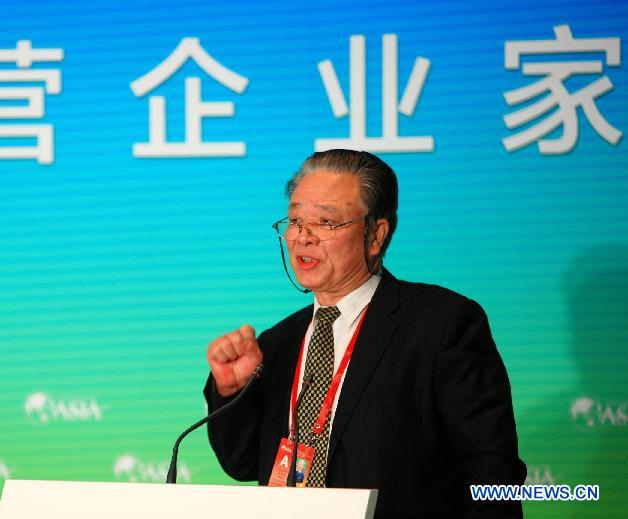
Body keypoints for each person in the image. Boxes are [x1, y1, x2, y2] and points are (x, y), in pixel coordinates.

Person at [204, 150, 526, 518]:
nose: (302, 237)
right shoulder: (276, 344)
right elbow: (242, 464)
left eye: (326, 222)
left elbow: (490, 467)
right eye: (295, 220)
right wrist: (233, 392)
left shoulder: (442, 325)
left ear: (376, 235)